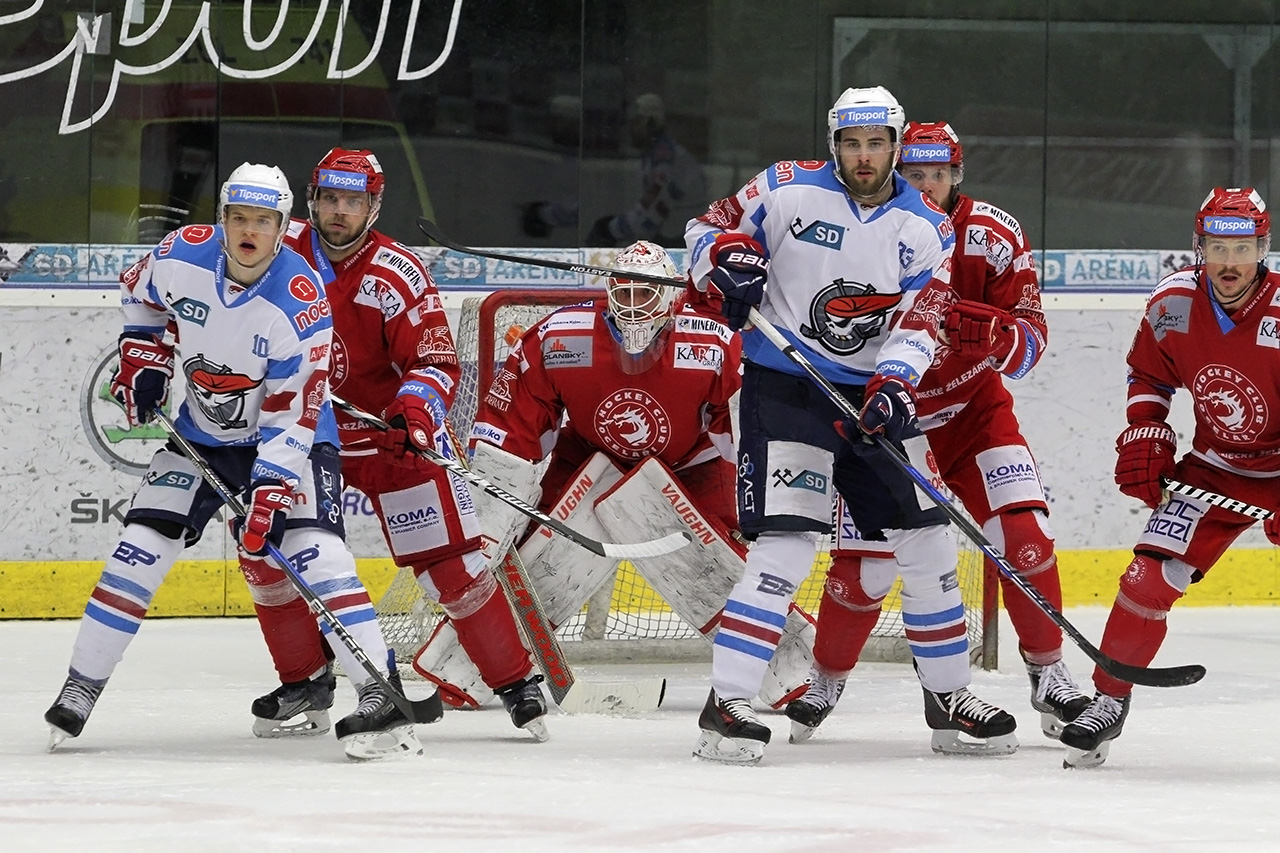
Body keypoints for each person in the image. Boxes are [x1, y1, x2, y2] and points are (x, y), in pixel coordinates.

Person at [684, 85, 1019, 765]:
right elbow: (705, 229)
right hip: (785, 386)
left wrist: (895, 382)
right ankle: (727, 703)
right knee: (787, 544)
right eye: (851, 143)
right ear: (834, 143)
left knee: (927, 540)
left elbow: (922, 317)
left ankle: (949, 698)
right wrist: (722, 262)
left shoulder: (927, 225)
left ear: (895, 145)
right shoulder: (784, 188)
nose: (863, 156)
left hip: (870, 393)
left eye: (875, 143)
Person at [44, 163, 418, 760]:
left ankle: (380, 692)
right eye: (238, 218)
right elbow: (139, 295)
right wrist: (143, 354)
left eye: (264, 221)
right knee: (138, 548)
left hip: (293, 438)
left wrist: (270, 491)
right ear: (221, 219)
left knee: (315, 555)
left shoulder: (300, 302)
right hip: (204, 437)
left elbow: (292, 416)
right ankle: (80, 686)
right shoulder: (180, 254)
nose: (249, 231)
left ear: (283, 227)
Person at [785, 121, 1091, 745]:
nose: (927, 186)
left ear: (958, 177)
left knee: (1025, 540)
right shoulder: (864, 225)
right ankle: (827, 676)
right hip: (887, 423)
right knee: (865, 571)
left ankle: (1048, 671)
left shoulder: (994, 236)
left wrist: (1001, 336)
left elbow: (1031, 345)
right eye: (916, 174)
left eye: (939, 175)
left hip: (974, 416)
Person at [414, 240, 814, 712]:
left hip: (691, 466)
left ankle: (793, 666)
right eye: (623, 293)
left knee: (719, 566)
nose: (633, 305)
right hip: (588, 456)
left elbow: (745, 431)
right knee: (539, 558)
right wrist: (488, 528)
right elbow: (511, 433)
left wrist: (759, 503)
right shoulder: (559, 338)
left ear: (670, 297)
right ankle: (471, 666)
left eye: (645, 294)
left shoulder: (714, 342)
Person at [250, 148, 550, 741]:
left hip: (391, 440)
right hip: (306, 436)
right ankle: (305, 680)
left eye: (353, 201)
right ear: (312, 200)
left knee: (453, 568)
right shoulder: (278, 251)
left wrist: (413, 411)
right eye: (330, 199)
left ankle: (516, 682)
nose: (339, 212)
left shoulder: (396, 273)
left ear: (374, 206)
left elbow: (435, 361)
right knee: (267, 554)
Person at [1060, 186, 1279, 767]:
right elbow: (1149, 376)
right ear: (1198, 246)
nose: (1229, 262)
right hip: (1215, 470)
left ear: (1263, 248)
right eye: (1218, 247)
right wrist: (1147, 427)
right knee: (1145, 580)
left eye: (1242, 248)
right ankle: (1108, 701)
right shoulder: (1173, 302)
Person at [522, 93, 708, 248]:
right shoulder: (656, 156)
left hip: (683, 243)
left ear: (650, 123)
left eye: (635, 122)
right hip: (678, 238)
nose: (629, 129)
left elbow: (649, 217)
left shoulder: (665, 161)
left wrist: (611, 229)